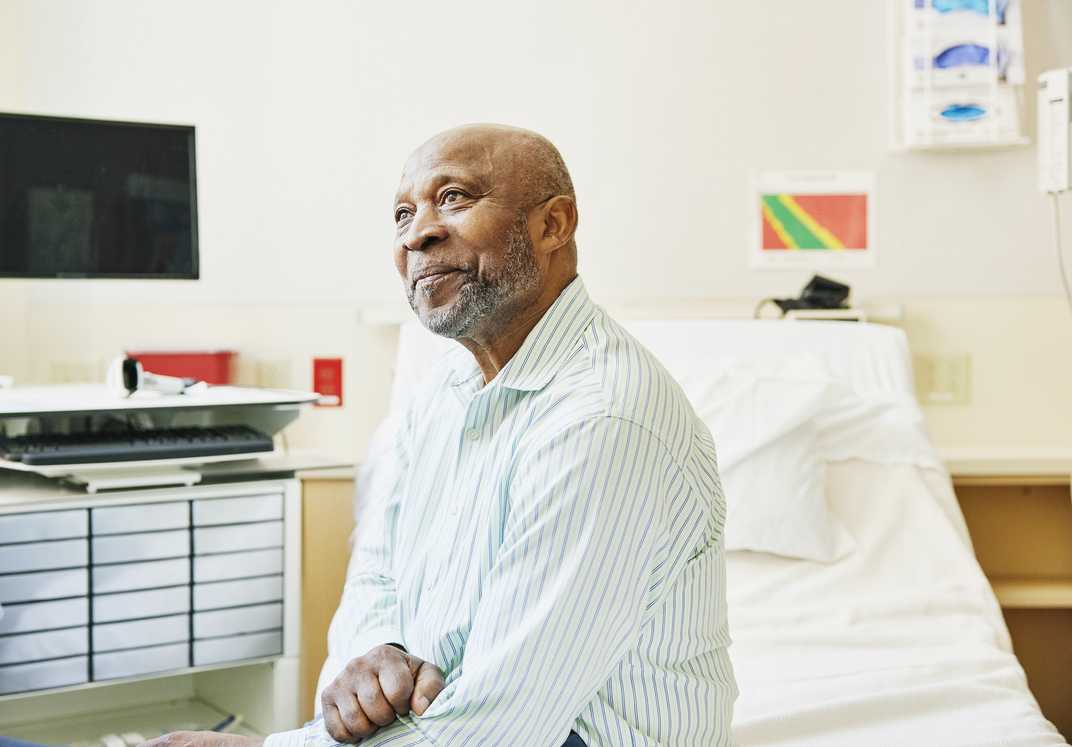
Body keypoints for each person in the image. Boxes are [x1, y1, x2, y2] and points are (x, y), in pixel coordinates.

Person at [146, 124, 737, 747]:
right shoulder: (442, 388)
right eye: (403, 213)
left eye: (453, 197)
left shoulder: (603, 420)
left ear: (553, 225)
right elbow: (378, 565)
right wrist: (378, 654)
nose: (417, 233)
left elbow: (503, 722)